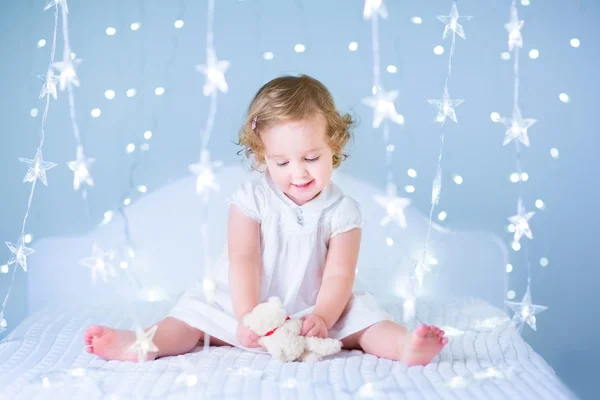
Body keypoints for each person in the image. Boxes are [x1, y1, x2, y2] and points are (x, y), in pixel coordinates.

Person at [84, 74, 448, 365]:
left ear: (333, 147)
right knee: (191, 319)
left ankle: (405, 346)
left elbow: (340, 273)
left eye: (311, 157)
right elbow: (243, 258)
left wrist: (322, 315)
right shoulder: (250, 199)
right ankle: (140, 343)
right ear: (263, 156)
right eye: (282, 162)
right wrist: (247, 316)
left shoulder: (343, 210)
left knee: (366, 322)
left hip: (318, 302)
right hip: (247, 299)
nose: (299, 173)